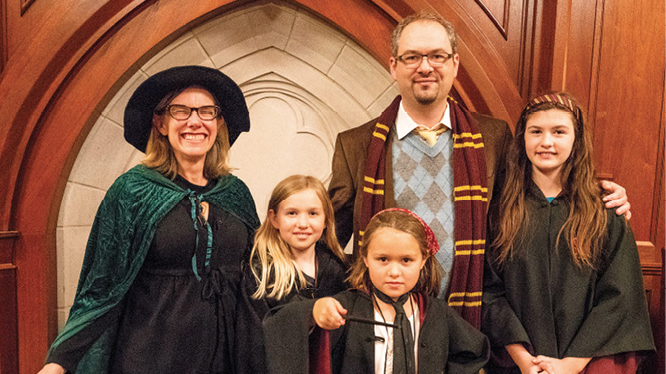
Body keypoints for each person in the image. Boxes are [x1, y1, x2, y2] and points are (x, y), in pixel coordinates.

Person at [328, 12, 630, 328]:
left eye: (437, 56)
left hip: (470, 319)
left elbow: (538, 191)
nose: (426, 67)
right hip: (384, 322)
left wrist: (598, 193)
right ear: (394, 65)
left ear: (455, 64)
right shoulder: (357, 146)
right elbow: (329, 244)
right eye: (412, 57)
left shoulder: (493, 138)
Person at [39, 65, 259, 373]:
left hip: (224, 356)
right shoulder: (132, 191)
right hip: (152, 355)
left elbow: (262, 272)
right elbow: (102, 286)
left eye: (207, 111)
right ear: (160, 123)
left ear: (219, 123)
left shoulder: (236, 194)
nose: (195, 121)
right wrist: (59, 361)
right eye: (180, 111)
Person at [481, 92, 654, 374]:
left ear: (576, 140)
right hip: (518, 363)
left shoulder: (604, 210)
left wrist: (570, 366)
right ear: (523, 137)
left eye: (559, 132)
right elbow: (490, 292)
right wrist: (524, 360)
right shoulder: (501, 211)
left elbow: (620, 295)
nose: (546, 142)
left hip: (587, 362)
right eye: (536, 131)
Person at [263, 208, 490, 374]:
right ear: (365, 258)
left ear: (423, 260)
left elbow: (473, 353)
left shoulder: (437, 313)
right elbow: (278, 326)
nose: (394, 271)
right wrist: (312, 312)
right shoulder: (343, 307)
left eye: (406, 260)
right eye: (383, 259)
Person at [234, 175, 348, 374]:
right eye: (292, 213)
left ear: (326, 220)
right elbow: (252, 345)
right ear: (274, 218)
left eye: (313, 213)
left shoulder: (338, 270)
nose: (302, 223)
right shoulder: (261, 275)